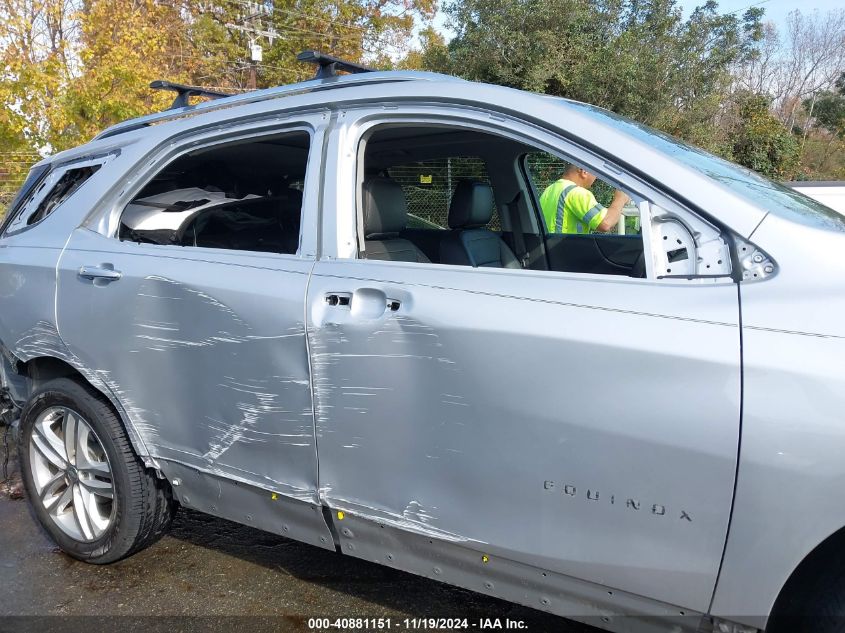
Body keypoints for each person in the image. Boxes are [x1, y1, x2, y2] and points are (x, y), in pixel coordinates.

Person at [540, 164, 630, 234]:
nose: (596, 177)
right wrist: (620, 199)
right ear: (584, 171)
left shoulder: (549, 190)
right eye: (595, 172)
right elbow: (606, 223)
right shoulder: (576, 193)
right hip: (567, 253)